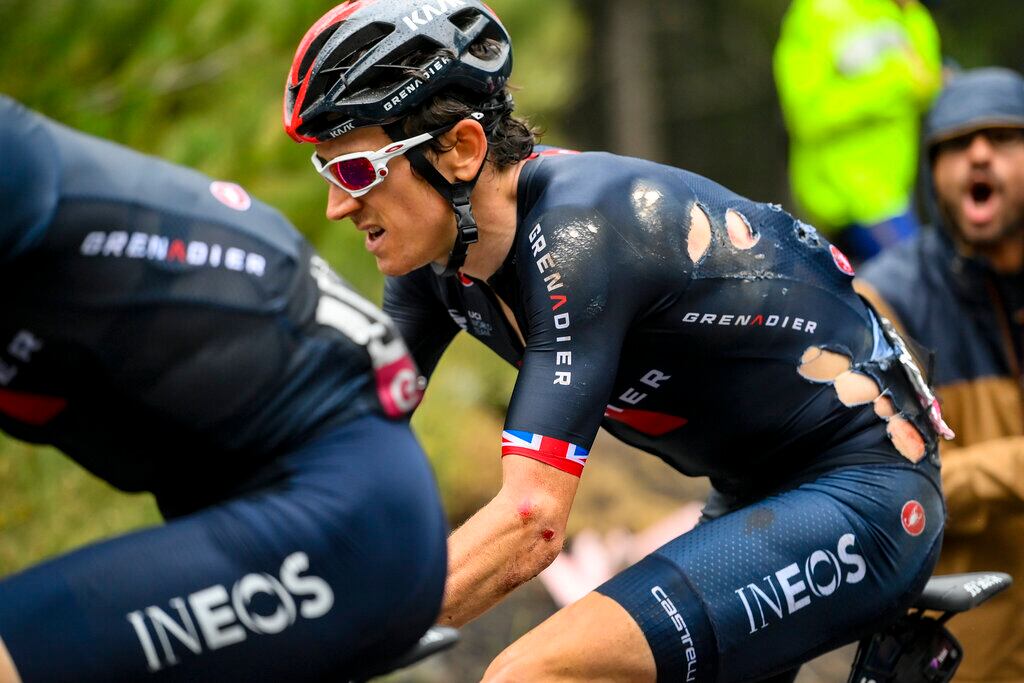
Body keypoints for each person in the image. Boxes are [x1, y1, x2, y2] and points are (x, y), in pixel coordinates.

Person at [285, 2, 950, 680]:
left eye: (358, 172)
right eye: (327, 171)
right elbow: (332, 447)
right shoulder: (438, 265)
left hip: (864, 489)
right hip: (751, 497)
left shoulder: (582, 232)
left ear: (460, 150)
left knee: (530, 673)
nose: (340, 204)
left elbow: (531, 522)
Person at [0, 95, 448, 683]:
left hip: (348, 523)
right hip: (264, 506)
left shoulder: (14, 168)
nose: (340, 206)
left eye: (354, 172)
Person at [857, 67, 1024, 682]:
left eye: (1003, 137)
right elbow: (874, 489)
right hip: (961, 652)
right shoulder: (886, 304)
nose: (978, 154)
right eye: (956, 143)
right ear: (931, 172)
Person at [774, 0, 942, 262]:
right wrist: (893, 86)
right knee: (917, 279)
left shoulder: (913, 14)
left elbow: (927, 84)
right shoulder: (817, 11)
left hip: (895, 191)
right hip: (844, 198)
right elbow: (806, 116)